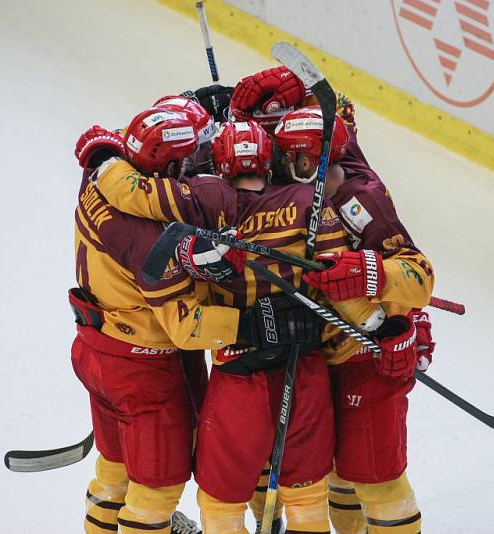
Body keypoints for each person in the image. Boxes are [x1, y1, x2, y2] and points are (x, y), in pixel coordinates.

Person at [71, 107, 318, 534]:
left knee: (115, 472)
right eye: (187, 158)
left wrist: (194, 109)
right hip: (143, 372)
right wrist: (253, 326)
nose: (196, 165)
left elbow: (113, 141)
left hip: (99, 350)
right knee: (154, 493)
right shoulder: (148, 240)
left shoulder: (106, 175)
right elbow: (186, 328)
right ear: (167, 165)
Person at [269, 103, 436, 534]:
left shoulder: (362, 200)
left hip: (368, 357)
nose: (278, 166)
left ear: (308, 160)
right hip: (324, 354)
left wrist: (372, 273)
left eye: (287, 157)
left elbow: (419, 275)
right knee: (339, 474)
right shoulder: (306, 188)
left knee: (377, 478)